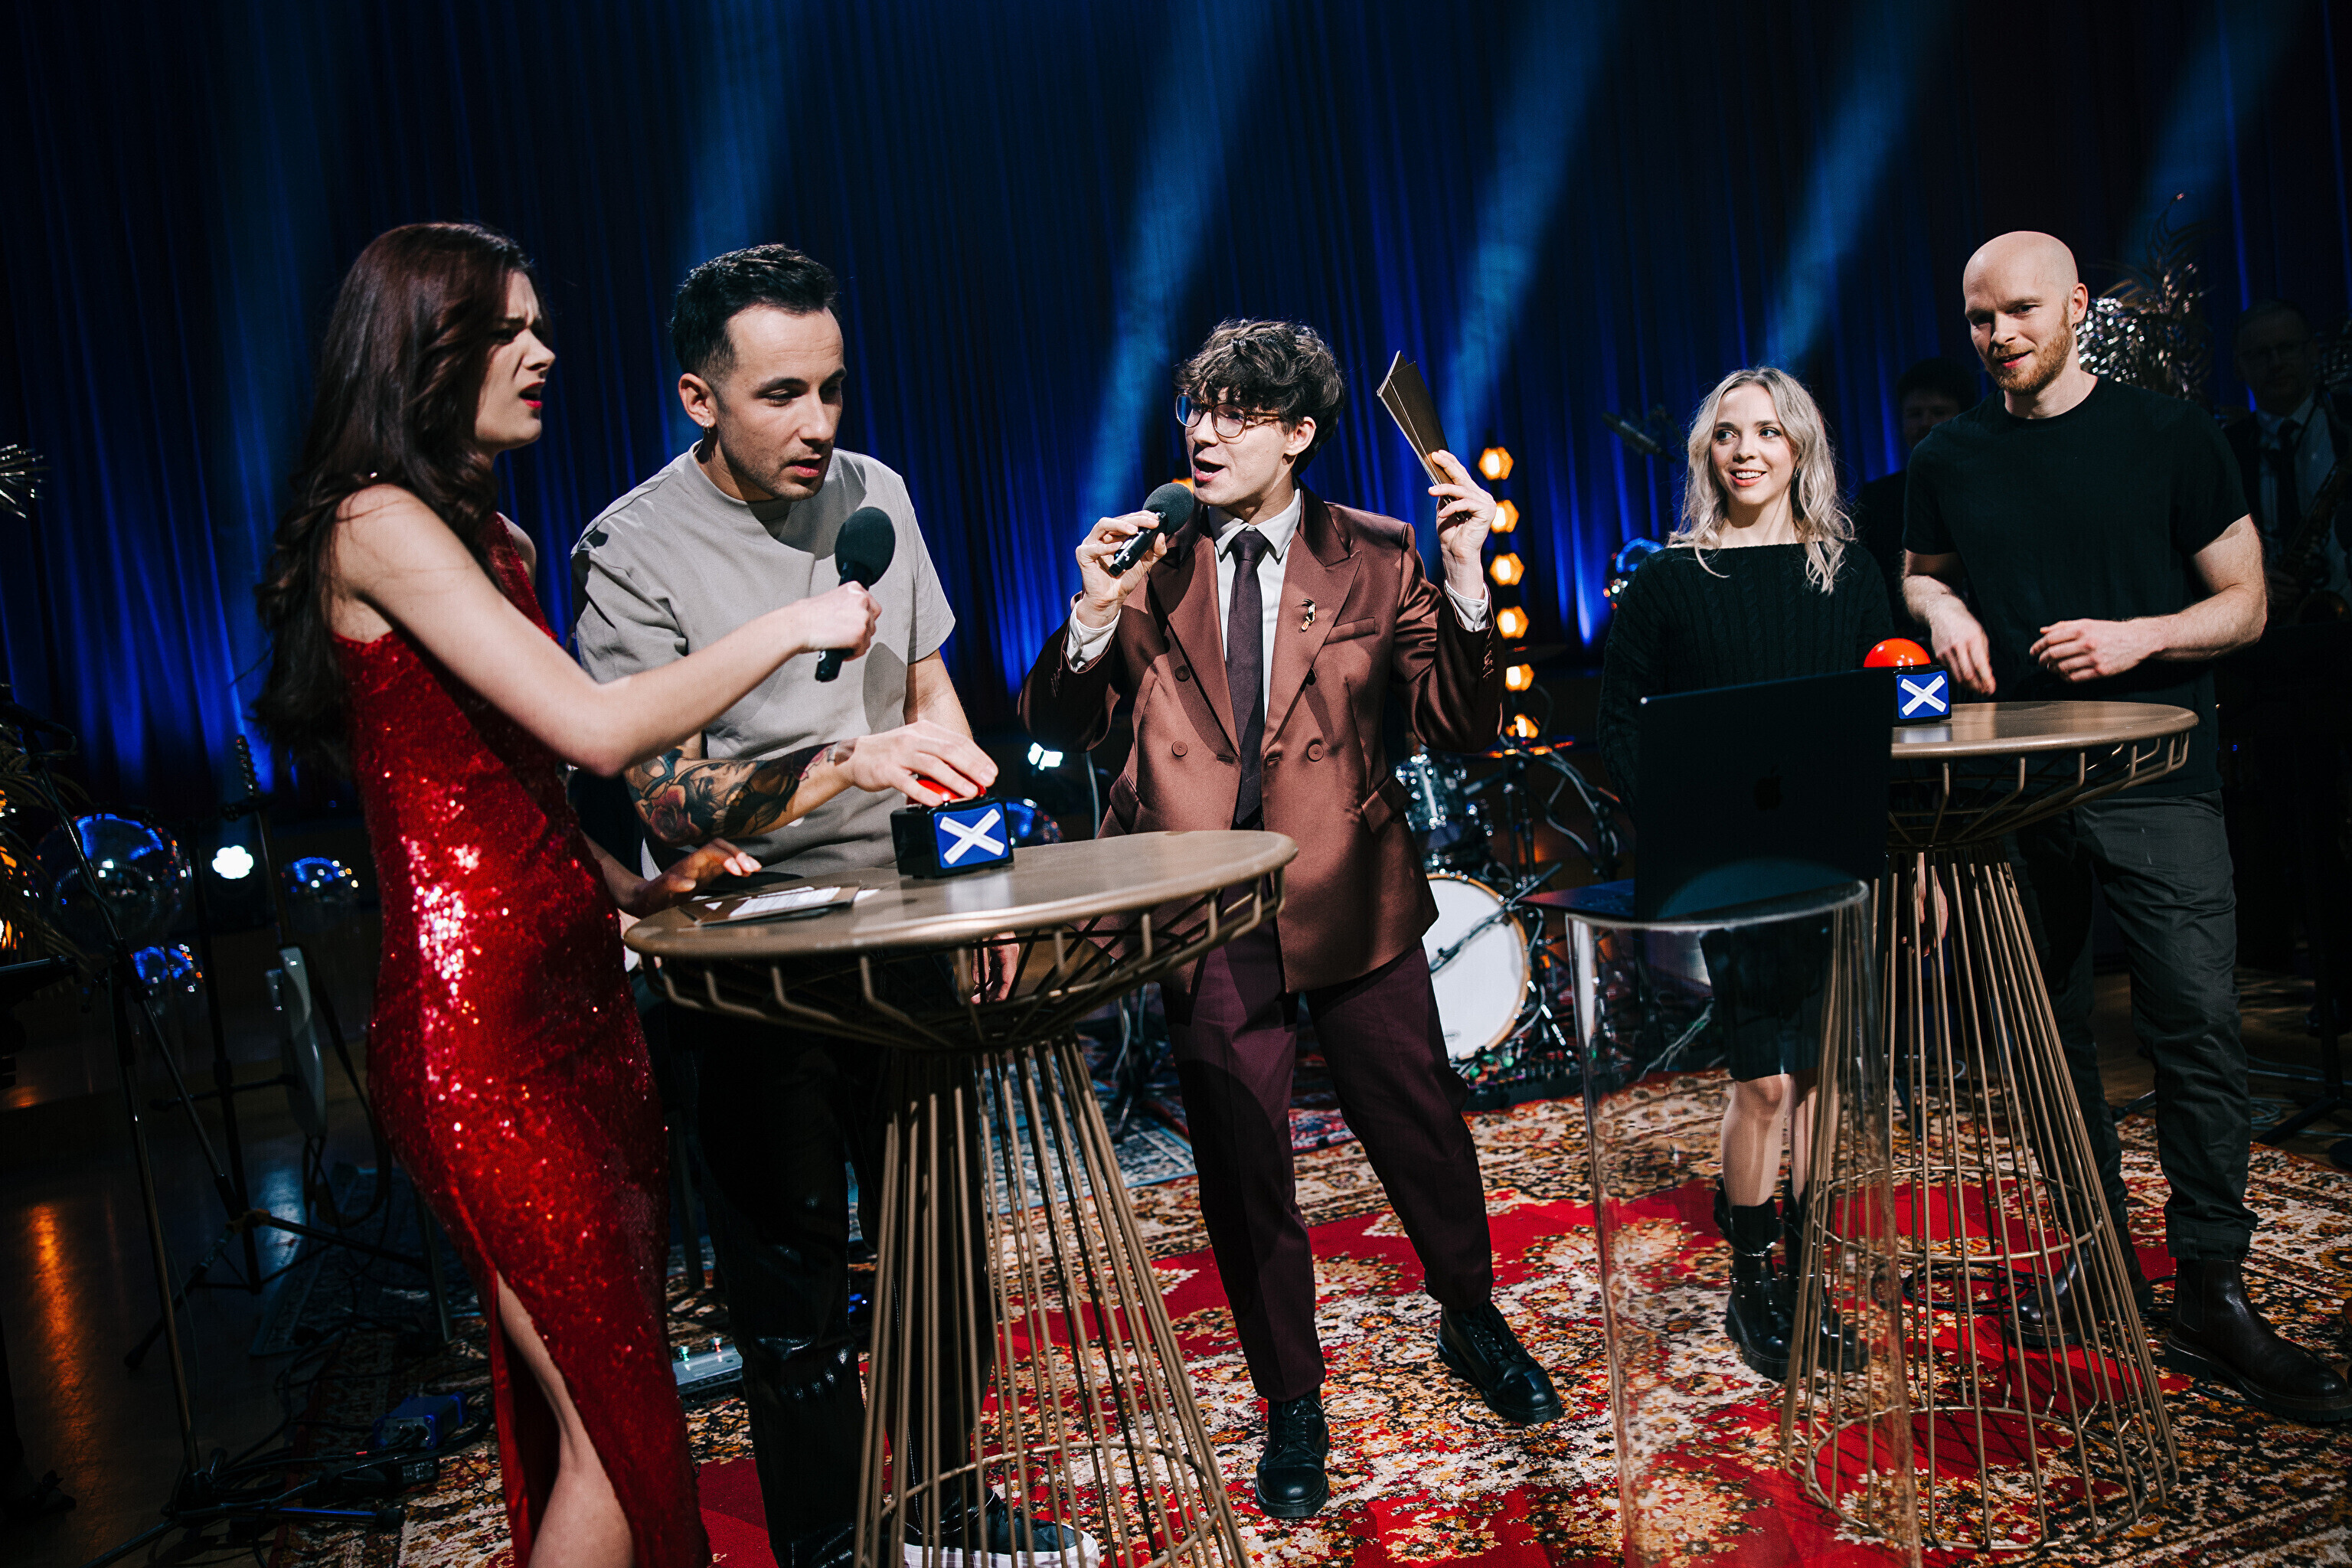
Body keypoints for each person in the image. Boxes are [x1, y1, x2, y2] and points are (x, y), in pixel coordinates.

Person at [251, 224, 987, 1568]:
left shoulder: (495, 536)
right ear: (418, 350)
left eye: (539, 323)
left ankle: (944, 1501)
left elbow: (518, 788)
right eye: (507, 330)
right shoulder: (378, 522)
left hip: (582, 986)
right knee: (622, 1425)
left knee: (631, 1408)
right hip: (488, 1028)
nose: (544, 352)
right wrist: (798, 631)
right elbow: (597, 736)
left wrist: (638, 893)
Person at [569, 245, 1077, 1568]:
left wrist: (981, 891)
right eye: (781, 394)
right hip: (751, 957)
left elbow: (929, 696)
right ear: (699, 398)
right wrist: (843, 762)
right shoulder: (632, 549)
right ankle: (832, 1541)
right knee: (789, 1278)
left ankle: (950, 1501)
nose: (818, 423)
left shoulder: (879, 494)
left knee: (941, 1245)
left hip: (906, 931)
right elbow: (665, 799)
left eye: (833, 389)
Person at [1020, 318, 1562, 1523]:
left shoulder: (1377, 553)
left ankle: (1471, 1317)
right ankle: (1291, 1397)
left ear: (1301, 433)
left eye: (1239, 412)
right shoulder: (1150, 555)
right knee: (1242, 1162)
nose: (1205, 434)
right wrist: (1094, 613)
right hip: (1210, 913)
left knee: (1421, 1131)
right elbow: (1057, 725)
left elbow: (1460, 725)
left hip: (1352, 893)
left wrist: (1470, 582)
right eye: (1196, 409)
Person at [1903, 230, 2351, 1424]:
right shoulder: (1950, 454)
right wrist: (1942, 605)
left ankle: (2211, 1285)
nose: (1999, 336)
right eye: (1980, 319)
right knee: (2045, 1042)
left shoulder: (2170, 435)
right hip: (2012, 791)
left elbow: (2245, 605)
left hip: (2158, 777)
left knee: (2195, 1026)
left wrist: (2136, 638)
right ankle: (2094, 1256)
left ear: (2077, 307)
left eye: (2021, 311)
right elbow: (1920, 569)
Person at [1597, 366, 1893, 1380]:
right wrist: (1684, 833)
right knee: (1763, 1077)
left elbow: (1884, 725)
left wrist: (1907, 852)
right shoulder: (1669, 582)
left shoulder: (1850, 573)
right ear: (1705, 452)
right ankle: (1754, 1281)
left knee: (1818, 1074)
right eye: (1728, 433)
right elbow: (1621, 729)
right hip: (1731, 868)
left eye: (1768, 431)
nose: (1747, 450)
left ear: (1799, 446)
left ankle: (1809, 1272)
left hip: (1833, 858)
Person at [2223, 299, 2350, 611]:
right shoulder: (2226, 448)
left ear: (2313, 351)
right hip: (2276, 625)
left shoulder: (2346, 423)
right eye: (2260, 354)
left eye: (2287, 348)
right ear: (2238, 367)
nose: (2276, 363)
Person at [1848, 358, 1978, 623]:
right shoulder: (1875, 499)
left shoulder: (1989, 487)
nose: (1925, 423)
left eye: (1939, 412)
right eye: (1914, 414)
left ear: (1964, 418)